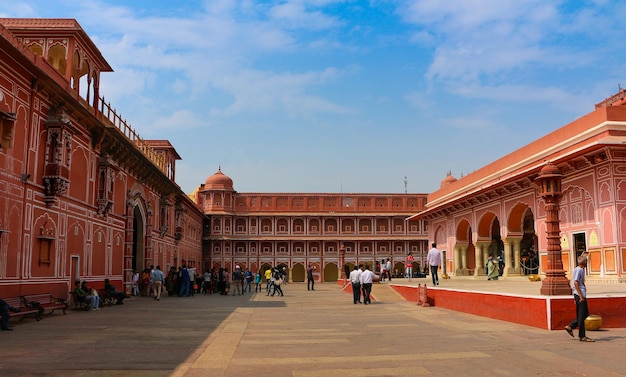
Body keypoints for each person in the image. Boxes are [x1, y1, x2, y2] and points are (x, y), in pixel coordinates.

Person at [565, 255, 595, 342]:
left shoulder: (578, 269)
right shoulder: (579, 270)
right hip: (580, 295)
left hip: (579, 294)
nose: (587, 263)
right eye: (586, 261)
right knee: (582, 316)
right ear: (584, 262)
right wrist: (580, 296)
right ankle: (582, 336)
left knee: (584, 314)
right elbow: (576, 283)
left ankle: (570, 326)